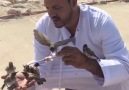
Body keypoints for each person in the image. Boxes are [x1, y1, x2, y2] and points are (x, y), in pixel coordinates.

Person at [2, 0, 129, 90]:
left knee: (122, 79)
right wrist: (26, 75)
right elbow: (43, 64)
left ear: (73, 3)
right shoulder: (44, 25)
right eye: (48, 8)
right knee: (26, 85)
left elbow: (125, 66)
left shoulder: (100, 21)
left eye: (57, 7)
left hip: (97, 72)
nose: (51, 14)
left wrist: (87, 63)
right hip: (64, 70)